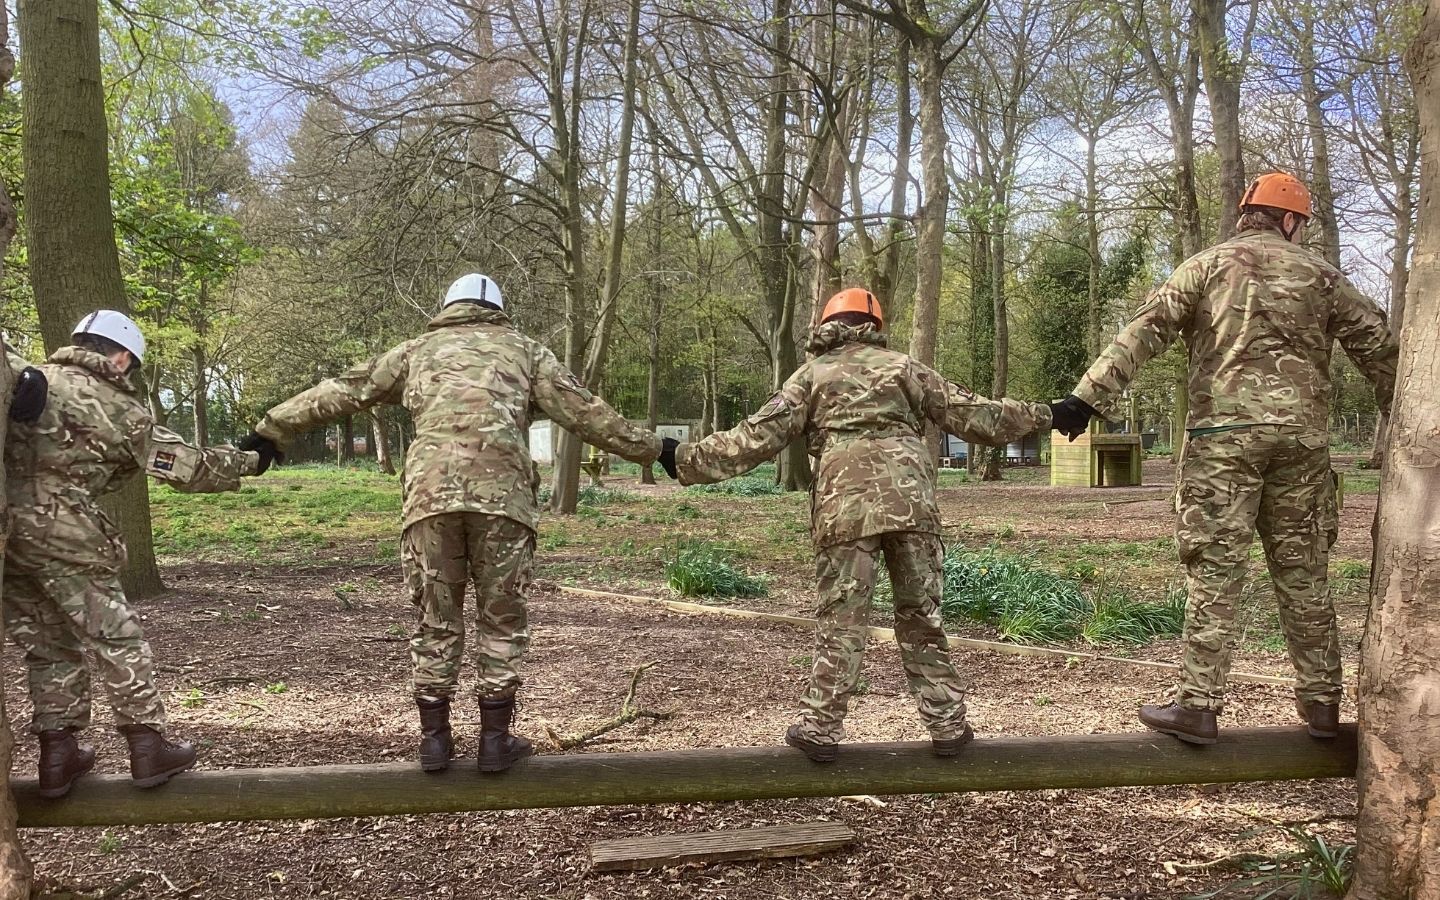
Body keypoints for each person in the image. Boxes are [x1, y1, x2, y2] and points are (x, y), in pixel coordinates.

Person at [243, 274, 664, 773]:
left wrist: (271, 430)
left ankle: (435, 741)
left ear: (447, 306)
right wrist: (657, 451)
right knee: (501, 617)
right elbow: (588, 413)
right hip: (504, 503)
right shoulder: (527, 353)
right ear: (498, 309)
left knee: (435, 619)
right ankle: (495, 741)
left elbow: (343, 390)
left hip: (430, 500)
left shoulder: (414, 352)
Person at [1053, 172, 1399, 744]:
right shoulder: (1324, 277)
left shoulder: (1206, 266)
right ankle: (1321, 704)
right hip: (1301, 443)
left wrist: (1085, 400)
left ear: (1247, 214)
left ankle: (1198, 706)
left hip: (1223, 441)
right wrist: (1409, 424)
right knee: (1304, 570)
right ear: (1290, 220)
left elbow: (1145, 330)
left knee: (1215, 570)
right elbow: (1379, 348)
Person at [662, 288, 1056, 761]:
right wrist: (1049, 413)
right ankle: (948, 723)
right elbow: (980, 416)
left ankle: (821, 728)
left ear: (827, 324)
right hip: (911, 503)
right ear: (875, 326)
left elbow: (755, 437)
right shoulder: (906, 369)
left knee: (842, 620)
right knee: (921, 615)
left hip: (844, 506)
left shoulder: (812, 375)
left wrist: (683, 458)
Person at [5, 310, 268, 798]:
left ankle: (57, 755)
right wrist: (252, 459)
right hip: (67, 534)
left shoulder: (25, 381)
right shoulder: (117, 408)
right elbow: (188, 467)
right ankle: (147, 745)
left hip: (8, 535)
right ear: (123, 358)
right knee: (116, 636)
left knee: (47, 643)